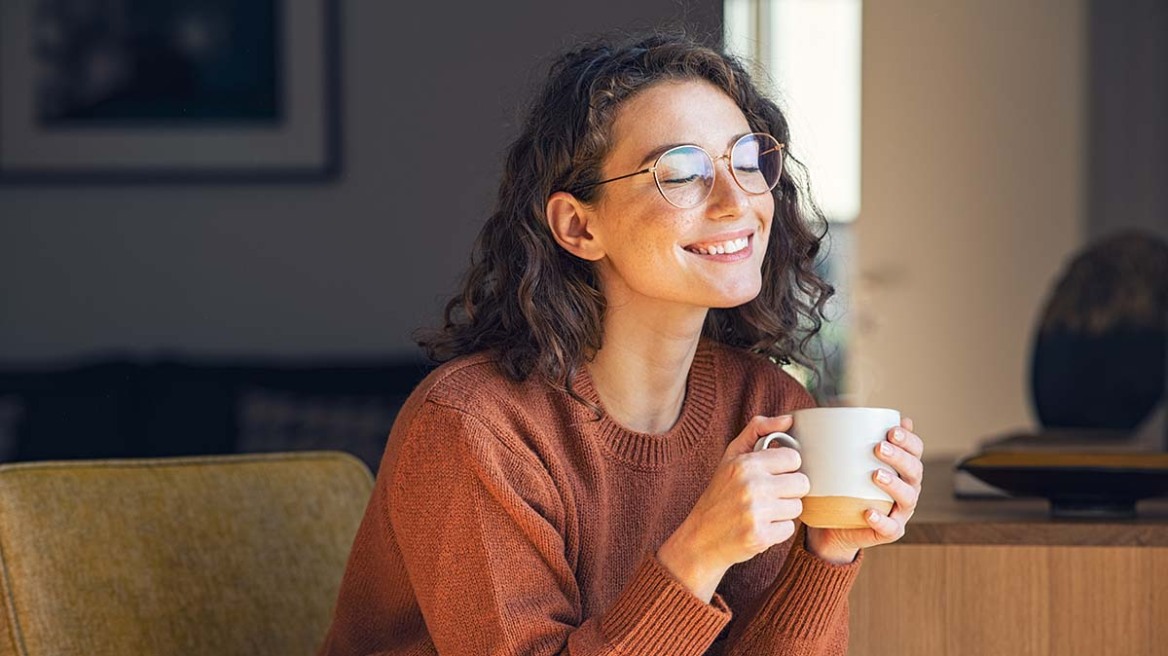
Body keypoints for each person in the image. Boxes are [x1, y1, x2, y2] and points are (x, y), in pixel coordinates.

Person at [319, 31, 924, 656]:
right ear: (579, 226)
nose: (735, 200)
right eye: (682, 172)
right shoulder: (475, 429)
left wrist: (828, 551)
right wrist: (698, 552)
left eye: (746, 160)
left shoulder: (767, 405)